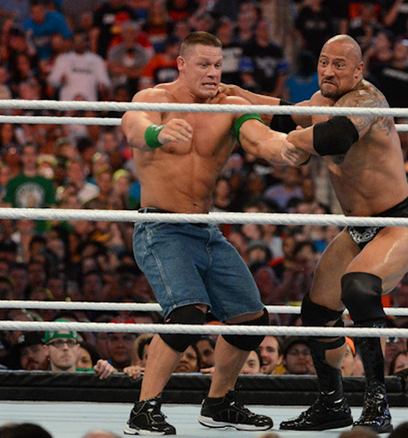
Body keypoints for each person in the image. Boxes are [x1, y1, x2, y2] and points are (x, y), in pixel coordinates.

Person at [225, 34, 408, 433]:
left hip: (399, 222)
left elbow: (334, 137)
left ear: (358, 71)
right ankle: (332, 403)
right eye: (323, 62)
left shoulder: (368, 100)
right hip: (358, 228)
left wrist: (294, 140)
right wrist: (235, 95)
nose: (329, 71)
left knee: (357, 287)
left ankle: (377, 403)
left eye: (339, 64)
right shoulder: (319, 103)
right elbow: (284, 113)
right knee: (317, 311)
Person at [120, 31, 303, 435]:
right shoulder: (155, 100)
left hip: (204, 229)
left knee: (250, 319)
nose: (213, 73)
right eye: (203, 64)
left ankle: (218, 403)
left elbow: (262, 137)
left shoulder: (232, 106)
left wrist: (287, 149)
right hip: (160, 225)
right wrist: (158, 134)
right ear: (181, 64)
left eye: (218, 65)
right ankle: (144, 410)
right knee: (187, 312)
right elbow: (133, 126)